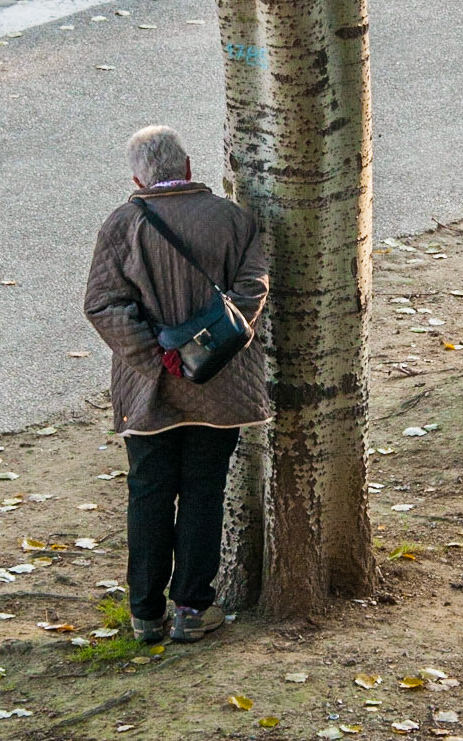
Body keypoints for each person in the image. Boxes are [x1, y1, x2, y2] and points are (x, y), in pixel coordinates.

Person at [84, 125, 270, 643]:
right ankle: (193, 609)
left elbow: (102, 305)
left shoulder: (122, 225)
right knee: (203, 492)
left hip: (149, 391)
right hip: (221, 385)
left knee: (148, 492)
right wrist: (204, 351)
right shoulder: (235, 220)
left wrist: (157, 356)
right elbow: (251, 291)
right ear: (188, 168)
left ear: (138, 177)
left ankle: (145, 614)